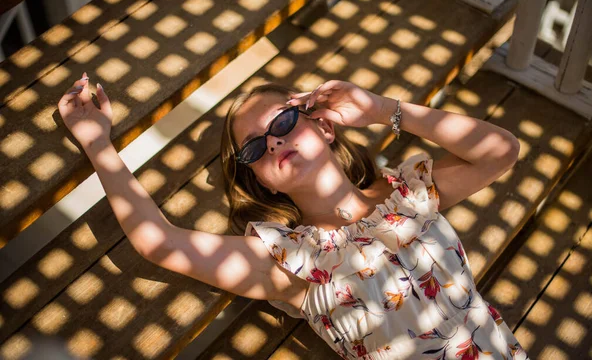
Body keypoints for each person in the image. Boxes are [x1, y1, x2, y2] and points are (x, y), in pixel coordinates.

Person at [58, 73, 529, 359]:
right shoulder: (293, 262)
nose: (275, 141)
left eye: (282, 122)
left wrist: (384, 109)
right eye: (255, 147)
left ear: (323, 126)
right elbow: (159, 243)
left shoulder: (407, 191)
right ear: (263, 181)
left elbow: (501, 151)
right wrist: (98, 142)